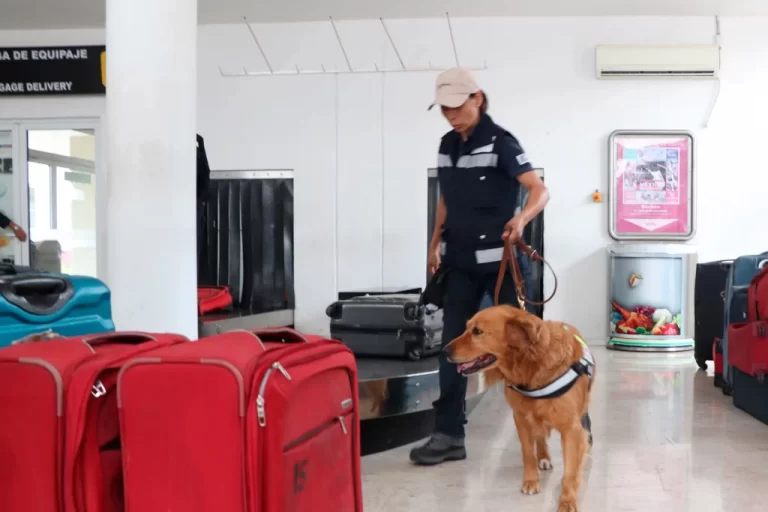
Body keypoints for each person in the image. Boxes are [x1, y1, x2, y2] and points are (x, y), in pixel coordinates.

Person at [410, 68, 549, 465]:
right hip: (460, 266)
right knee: (452, 349)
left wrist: (521, 219)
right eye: (444, 109)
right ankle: (449, 435)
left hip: (503, 264)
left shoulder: (502, 143)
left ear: (478, 99)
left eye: (457, 106)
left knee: (525, 347)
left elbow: (539, 189)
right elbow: (446, 198)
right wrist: (434, 241)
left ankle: (540, 427)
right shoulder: (445, 146)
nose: (451, 115)